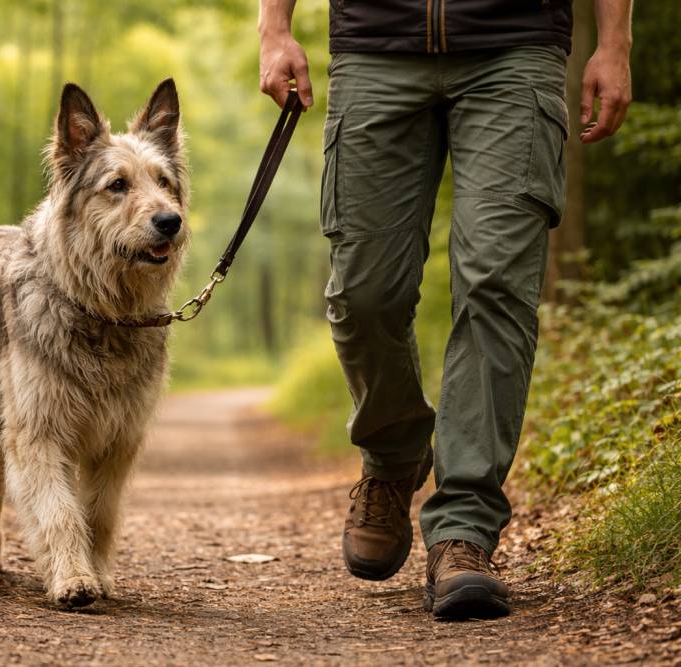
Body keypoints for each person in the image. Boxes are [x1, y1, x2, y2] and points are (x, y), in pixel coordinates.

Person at [258, 0, 632, 619]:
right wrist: (274, 28)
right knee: (363, 295)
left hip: (516, 44)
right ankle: (393, 453)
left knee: (495, 288)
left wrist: (614, 42)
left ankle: (463, 530)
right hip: (376, 47)